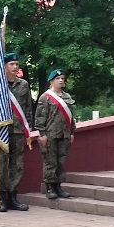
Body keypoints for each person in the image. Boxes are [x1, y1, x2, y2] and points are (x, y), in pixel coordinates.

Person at [33, 68, 76, 199]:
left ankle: (58, 186)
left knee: (61, 161)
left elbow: (71, 116)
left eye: (62, 78)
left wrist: (72, 131)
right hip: (50, 134)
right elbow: (40, 117)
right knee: (50, 161)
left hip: (64, 134)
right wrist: (42, 134)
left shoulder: (67, 97)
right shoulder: (45, 97)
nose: (61, 80)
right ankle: (50, 187)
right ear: (51, 81)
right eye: (58, 78)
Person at [0, 52, 31, 212]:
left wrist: (28, 129)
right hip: (1, 131)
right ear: (5, 66)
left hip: (18, 130)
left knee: (17, 165)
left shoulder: (23, 85)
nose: (15, 67)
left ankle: (13, 197)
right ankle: (2, 198)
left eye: (17, 64)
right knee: (2, 166)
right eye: (12, 64)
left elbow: (27, 108)